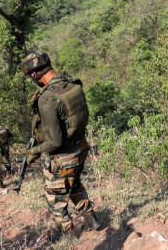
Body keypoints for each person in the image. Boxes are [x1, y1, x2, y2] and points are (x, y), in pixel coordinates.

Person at [20, 51, 101, 241]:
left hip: (65, 156)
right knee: (74, 186)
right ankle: (93, 221)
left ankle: (69, 236)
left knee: (55, 198)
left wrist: (34, 151)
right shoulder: (72, 84)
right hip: (81, 147)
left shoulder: (47, 98)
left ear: (34, 74)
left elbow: (54, 142)